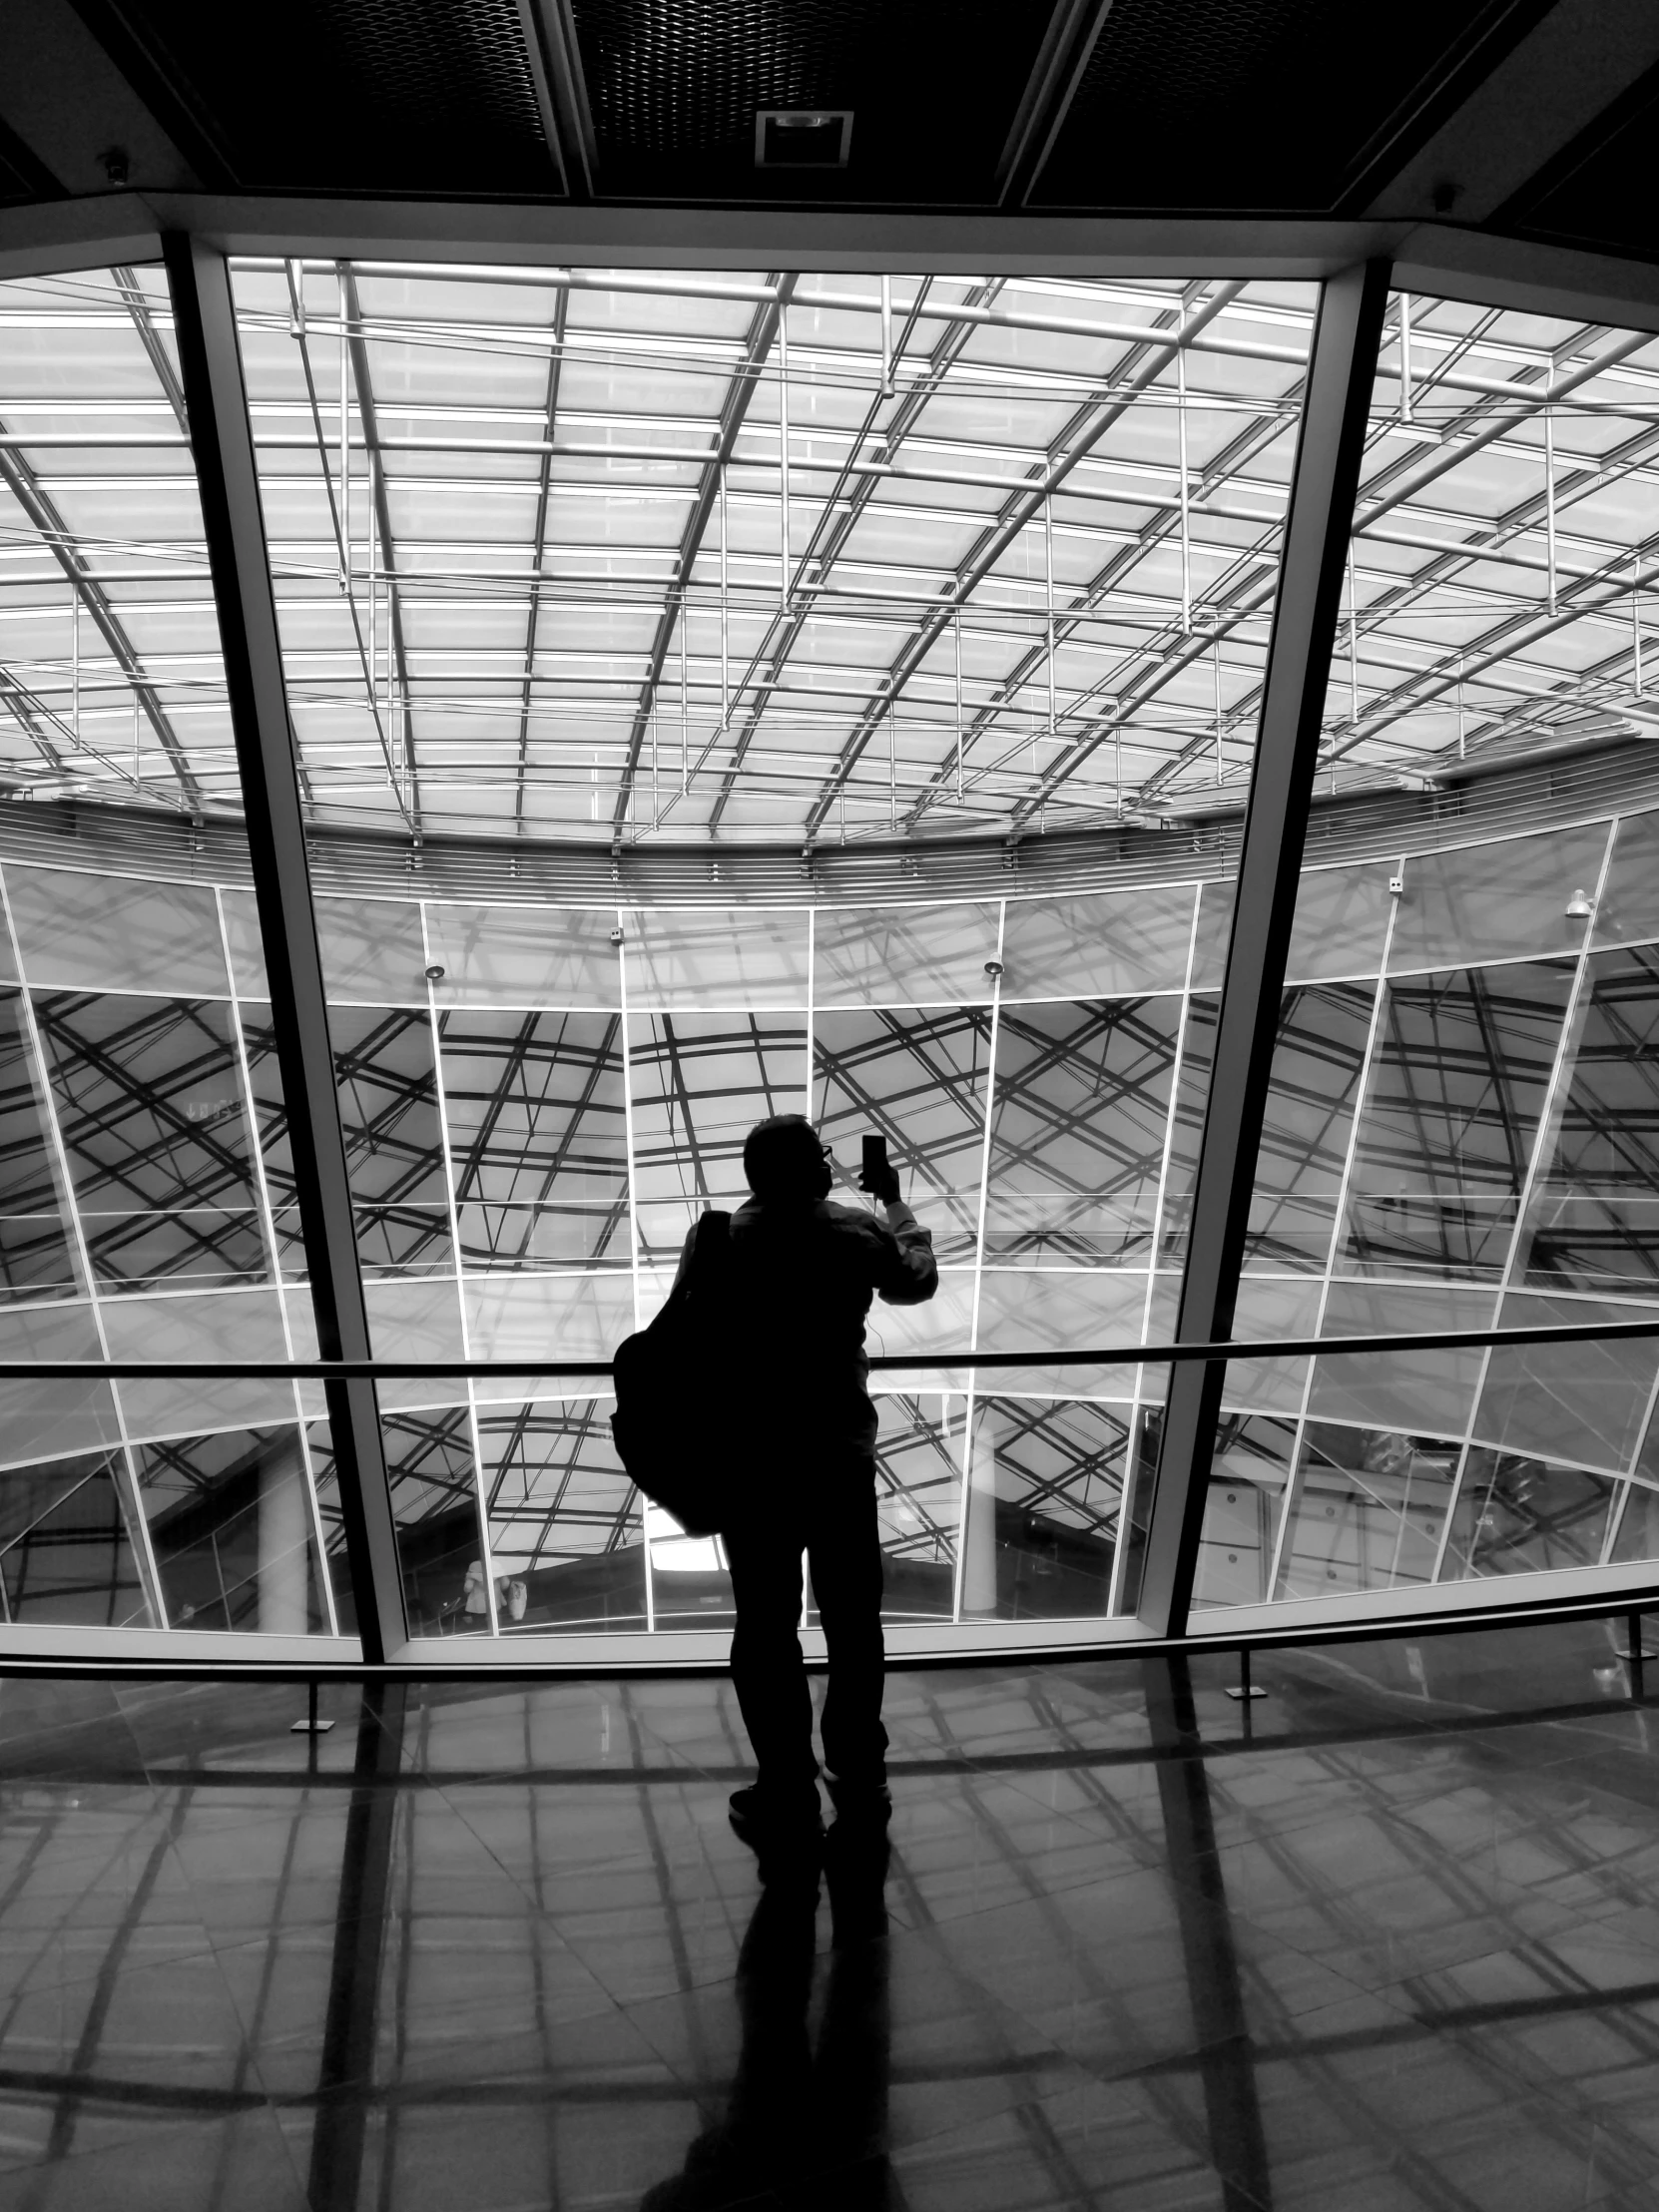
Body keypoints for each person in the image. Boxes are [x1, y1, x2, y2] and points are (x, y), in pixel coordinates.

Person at [675, 1113, 936, 1842]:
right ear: (815, 1169)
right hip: (838, 1459)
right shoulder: (855, 1232)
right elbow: (916, 1283)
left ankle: (785, 1783)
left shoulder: (715, 1238)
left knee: (764, 1627)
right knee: (854, 1621)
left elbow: (687, 1337)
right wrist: (894, 1201)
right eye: (820, 1154)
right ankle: (857, 1762)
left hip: (752, 1466)